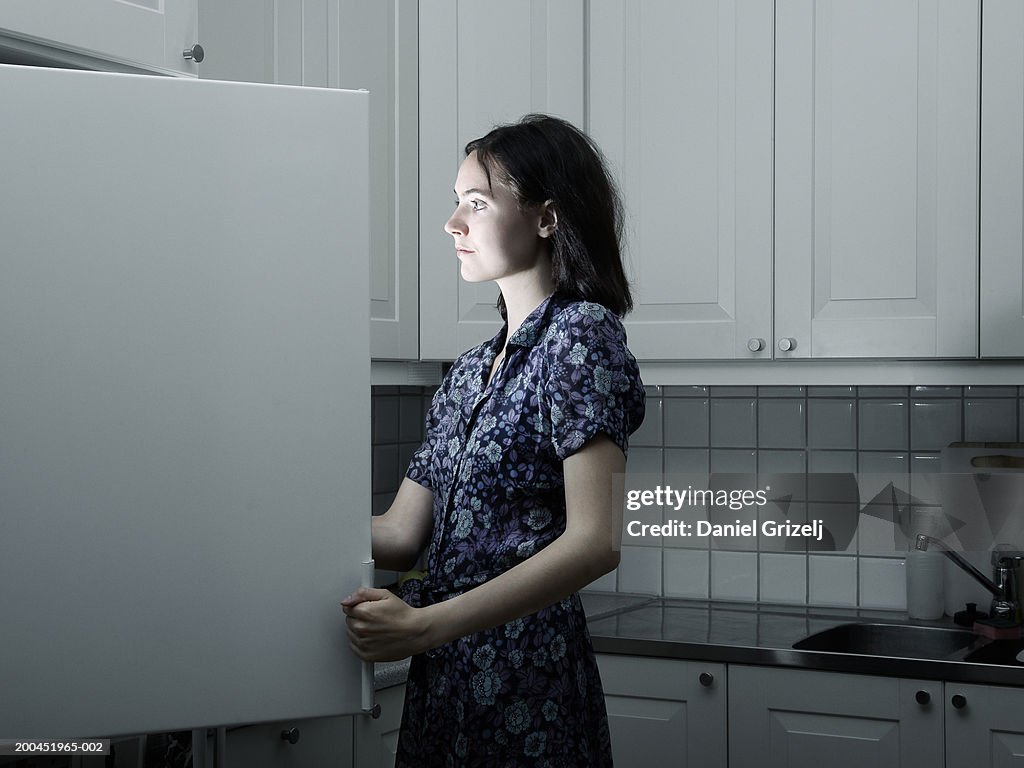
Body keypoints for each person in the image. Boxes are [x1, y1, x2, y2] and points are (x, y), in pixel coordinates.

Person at [341, 113, 645, 767]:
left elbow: (597, 542)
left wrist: (423, 625)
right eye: (457, 203)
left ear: (546, 217)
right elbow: (399, 534)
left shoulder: (581, 336)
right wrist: (269, 523)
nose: (453, 223)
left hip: (526, 682)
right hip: (444, 678)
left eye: (476, 203)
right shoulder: (471, 370)